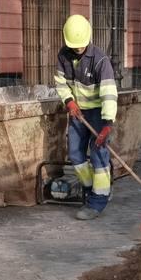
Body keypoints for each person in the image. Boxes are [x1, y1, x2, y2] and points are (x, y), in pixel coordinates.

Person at [53, 14, 118, 221]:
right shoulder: (64, 56)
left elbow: (109, 93)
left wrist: (107, 124)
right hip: (78, 112)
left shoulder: (100, 61)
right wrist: (69, 101)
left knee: (98, 154)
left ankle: (98, 201)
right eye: (74, 46)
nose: (78, 49)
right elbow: (60, 83)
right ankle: (93, 190)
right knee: (75, 154)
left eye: (80, 46)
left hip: (99, 113)